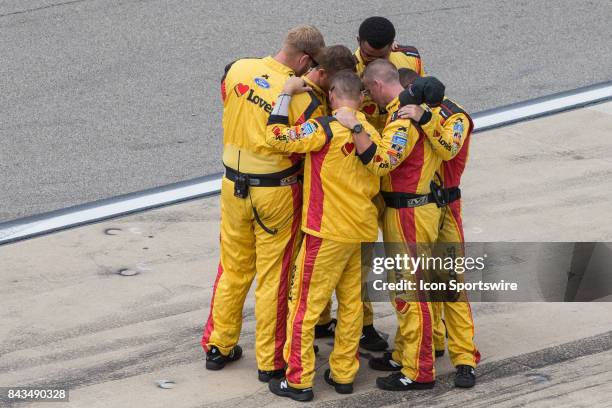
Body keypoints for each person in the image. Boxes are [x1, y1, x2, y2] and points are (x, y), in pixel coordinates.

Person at [201, 25, 325, 383]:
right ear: (305, 59)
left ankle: (218, 345)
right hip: (276, 192)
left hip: (231, 185)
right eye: (311, 64)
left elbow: (228, 99)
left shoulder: (238, 69)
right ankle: (270, 361)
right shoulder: (304, 100)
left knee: (232, 267)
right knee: (275, 277)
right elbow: (312, 146)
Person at [265, 71, 382, 402]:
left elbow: (276, 136)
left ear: (332, 95)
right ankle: (344, 374)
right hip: (360, 230)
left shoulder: (324, 128)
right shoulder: (369, 130)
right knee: (351, 304)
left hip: (326, 231)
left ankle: (299, 380)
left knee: (304, 306)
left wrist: (286, 93)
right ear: (360, 98)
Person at [334, 59, 442, 391]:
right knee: (402, 291)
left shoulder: (402, 118)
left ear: (379, 86)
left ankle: (419, 371)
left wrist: (354, 125)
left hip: (409, 212)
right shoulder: (404, 110)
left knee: (412, 293)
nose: (370, 98)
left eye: (369, 90)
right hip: (405, 210)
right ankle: (404, 354)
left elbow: (382, 163)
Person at [397, 73, 481, 388]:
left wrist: (426, 118)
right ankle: (431, 344)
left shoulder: (455, 116)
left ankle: (465, 360)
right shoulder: (409, 109)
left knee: (450, 285)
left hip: (447, 206)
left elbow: (448, 149)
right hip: (422, 208)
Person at [354, 16, 425, 132]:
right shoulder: (348, 70)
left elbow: (423, 93)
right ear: (358, 41)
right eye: (368, 56)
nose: (376, 62)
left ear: (392, 44)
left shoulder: (410, 58)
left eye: (382, 56)